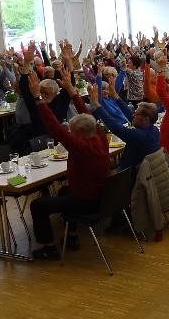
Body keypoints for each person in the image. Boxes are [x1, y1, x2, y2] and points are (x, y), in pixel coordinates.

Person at [26, 71, 109, 261]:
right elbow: (88, 116)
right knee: (64, 191)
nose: (69, 133)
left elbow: (54, 127)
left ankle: (49, 247)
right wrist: (72, 91)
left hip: (86, 201)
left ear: (79, 133)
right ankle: (71, 237)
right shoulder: (100, 138)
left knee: (37, 205)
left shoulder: (80, 146)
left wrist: (37, 98)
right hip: (101, 196)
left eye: (71, 131)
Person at [90, 85, 159, 171]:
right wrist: (115, 96)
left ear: (146, 119)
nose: (133, 115)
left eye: (136, 114)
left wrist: (96, 105)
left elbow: (115, 127)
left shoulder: (138, 135)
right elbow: (130, 115)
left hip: (130, 177)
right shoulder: (154, 130)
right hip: (142, 172)